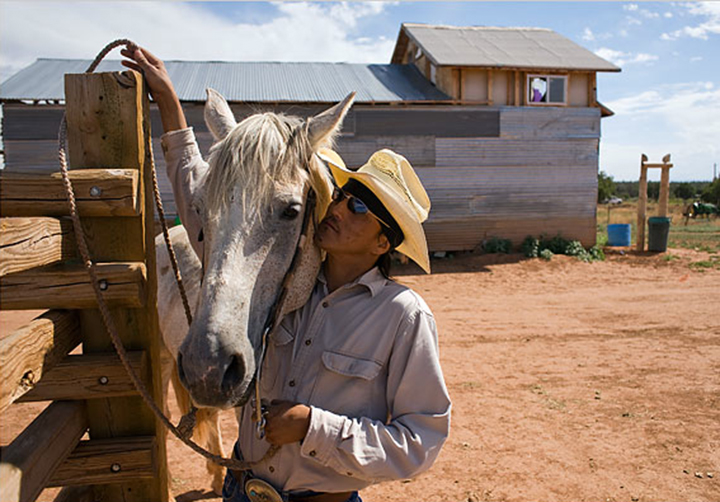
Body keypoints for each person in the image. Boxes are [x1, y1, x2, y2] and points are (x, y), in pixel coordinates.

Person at [122, 47, 451, 502]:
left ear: (383, 243)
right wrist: (167, 100)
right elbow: (202, 195)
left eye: (360, 208)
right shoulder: (285, 280)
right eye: (345, 194)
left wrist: (314, 428)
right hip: (243, 491)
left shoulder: (402, 316)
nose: (338, 206)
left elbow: (420, 443)